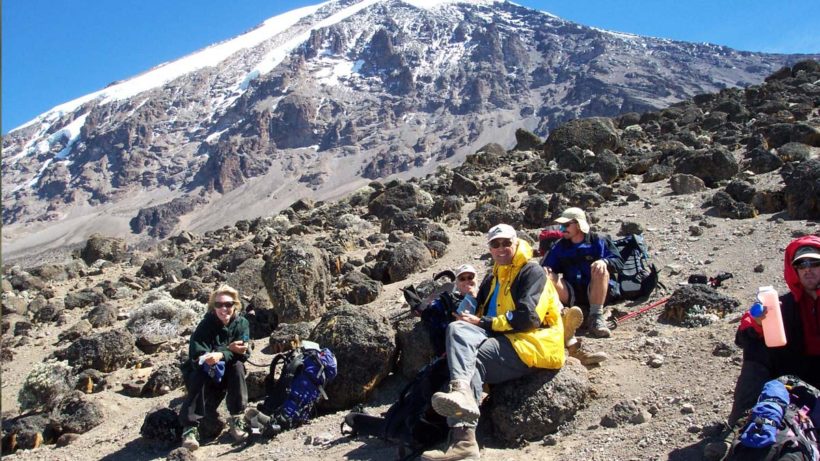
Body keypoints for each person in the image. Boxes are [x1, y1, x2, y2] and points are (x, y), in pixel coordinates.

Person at [422, 224, 564, 461]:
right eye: (495, 244)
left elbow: (528, 318)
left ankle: (463, 438)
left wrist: (484, 323)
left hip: (532, 344)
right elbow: (478, 313)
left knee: (472, 359)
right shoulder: (494, 276)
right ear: (489, 247)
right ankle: (462, 406)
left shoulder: (531, 272)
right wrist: (469, 311)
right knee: (458, 330)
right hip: (504, 339)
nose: (501, 248)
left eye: (506, 242)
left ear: (516, 242)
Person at [705, 236, 820, 459]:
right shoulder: (784, 306)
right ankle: (737, 429)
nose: (808, 270)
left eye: (815, 263)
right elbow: (742, 337)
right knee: (757, 345)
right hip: (792, 375)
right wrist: (758, 324)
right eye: (801, 265)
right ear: (793, 270)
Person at [180, 285, 251, 451]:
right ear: (213, 307)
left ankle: (236, 418)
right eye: (218, 305)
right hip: (205, 375)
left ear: (235, 305)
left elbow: (244, 353)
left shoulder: (242, 324)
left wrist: (222, 355)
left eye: (228, 304)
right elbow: (198, 355)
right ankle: (189, 428)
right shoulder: (205, 326)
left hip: (227, 374)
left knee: (238, 367)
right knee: (199, 372)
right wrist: (226, 351)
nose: (223, 309)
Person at [541, 207, 624, 339]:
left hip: (597, 291)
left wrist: (605, 262)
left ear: (579, 225)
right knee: (545, 276)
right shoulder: (560, 245)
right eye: (561, 225)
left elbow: (619, 262)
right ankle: (560, 315)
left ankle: (596, 317)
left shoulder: (599, 240)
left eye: (566, 225)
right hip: (572, 293)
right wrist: (546, 269)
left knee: (600, 268)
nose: (562, 229)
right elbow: (547, 266)